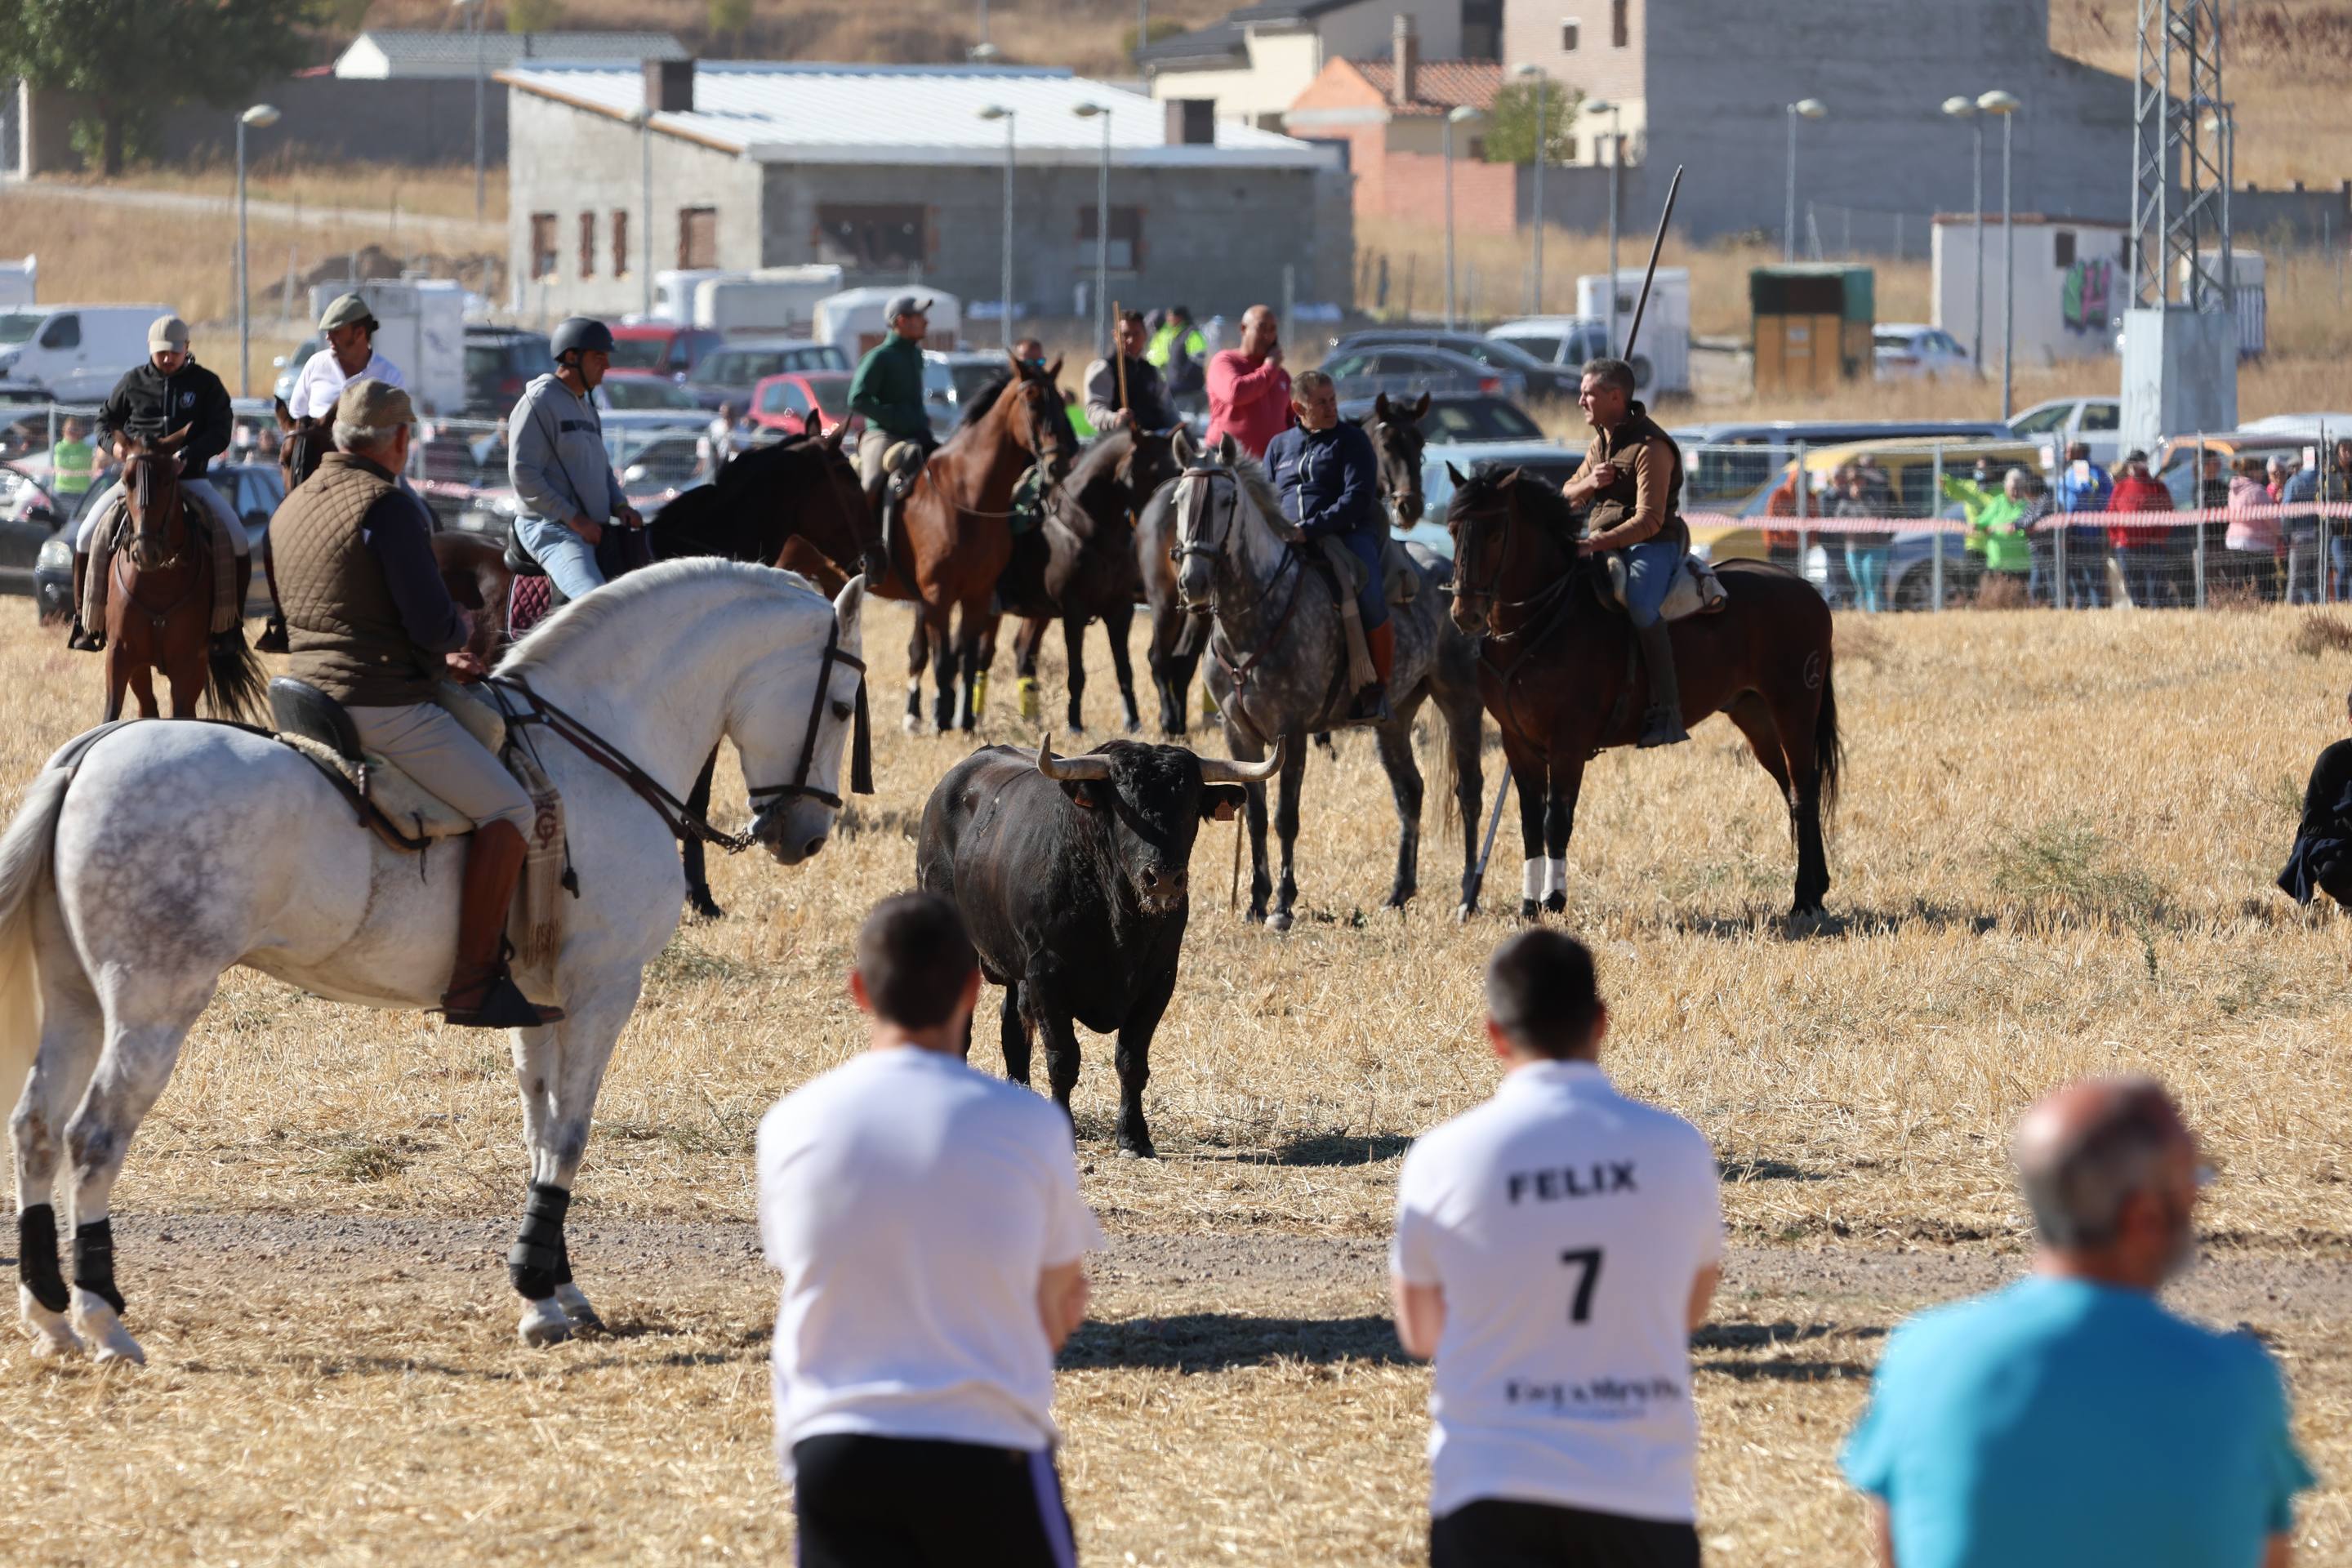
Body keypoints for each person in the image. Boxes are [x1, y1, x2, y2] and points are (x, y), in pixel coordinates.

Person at [1843, 1076, 2314, 1568]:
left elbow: (1894, 1551)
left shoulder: (1921, 1356)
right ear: (2145, 1216)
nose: (2199, 1199)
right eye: (2194, 1181)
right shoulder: (2237, 1381)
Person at [758, 892, 1099, 1568]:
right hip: (987, 1450)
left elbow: (807, 1268)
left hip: (834, 1451)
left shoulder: (790, 1125)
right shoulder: (1032, 1126)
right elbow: (1059, 1303)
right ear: (974, 990)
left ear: (860, 991)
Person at [1392, 929, 1722, 1568]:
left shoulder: (1441, 1159)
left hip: (1487, 1493)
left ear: (1494, 1035)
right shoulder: (1679, 1150)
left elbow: (1421, 1332)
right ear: (1601, 1023)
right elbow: (1689, 1310)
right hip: (1641, 1494)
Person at [271, 380, 555, 1029]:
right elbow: (431, 624)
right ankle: (474, 982)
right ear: (400, 440)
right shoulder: (390, 507)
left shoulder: (294, 502)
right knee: (510, 806)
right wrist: (457, 636)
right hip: (380, 702)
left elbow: (338, 611)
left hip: (304, 692)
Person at [70, 314, 249, 653]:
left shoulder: (206, 384)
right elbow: (104, 423)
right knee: (85, 535)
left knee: (237, 540)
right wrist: (117, 447)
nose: (168, 359)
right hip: (137, 482)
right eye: (161, 353)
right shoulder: (132, 382)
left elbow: (221, 430)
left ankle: (230, 627)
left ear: (187, 349)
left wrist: (190, 453)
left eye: (175, 352)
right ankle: (85, 621)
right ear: (151, 350)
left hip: (189, 477)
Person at [1561, 356, 1691, 747]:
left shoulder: (1652, 448)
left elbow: (1649, 521)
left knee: (1639, 603)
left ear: (1615, 397)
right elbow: (1566, 495)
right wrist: (1589, 485)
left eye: (1589, 394)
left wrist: (1592, 544)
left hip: (1653, 545)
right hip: (1602, 542)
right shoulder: (1600, 441)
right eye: (1582, 393)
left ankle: (1667, 710)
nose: (1581, 401)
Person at [1265, 369, 1391, 724]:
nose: (1331, 407)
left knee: (1369, 594)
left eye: (1333, 399)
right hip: (1287, 539)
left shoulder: (1352, 441)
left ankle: (1377, 689)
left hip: (1348, 536)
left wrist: (1310, 529)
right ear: (1298, 408)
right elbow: (1266, 497)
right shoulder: (1278, 447)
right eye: (1321, 402)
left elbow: (1357, 498)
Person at [507, 317, 644, 604]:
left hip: (591, 527)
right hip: (551, 529)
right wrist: (575, 519)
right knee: (597, 605)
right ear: (571, 357)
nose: (606, 365)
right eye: (599, 357)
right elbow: (524, 475)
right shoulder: (539, 401)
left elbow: (602, 469)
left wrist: (620, 505)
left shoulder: (587, 407)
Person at [848, 295, 938, 550]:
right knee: (872, 484)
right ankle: (855, 547)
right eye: (920, 317)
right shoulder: (880, 357)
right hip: (883, 436)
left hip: (917, 434)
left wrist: (919, 418)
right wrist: (897, 418)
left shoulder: (916, 356)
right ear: (902, 321)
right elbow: (857, 398)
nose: (926, 322)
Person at [2280, 688, 2352, 907]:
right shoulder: (2332, 760)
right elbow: (2312, 824)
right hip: (2344, 848)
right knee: (2332, 870)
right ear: (2351, 720)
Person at [285, 292, 407, 423]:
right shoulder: (316, 364)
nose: (328, 337)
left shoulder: (390, 377)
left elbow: (396, 432)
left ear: (359, 333)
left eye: (336, 332)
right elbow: (296, 418)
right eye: (327, 332)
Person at [1204, 304, 1292, 460]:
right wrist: (1269, 368)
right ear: (1243, 329)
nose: (1268, 335)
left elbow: (1292, 418)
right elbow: (1235, 393)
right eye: (1262, 328)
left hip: (1269, 467)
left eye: (1273, 330)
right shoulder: (1225, 361)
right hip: (1227, 464)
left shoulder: (1281, 375)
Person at [1084, 310, 1178, 434]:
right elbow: (1094, 410)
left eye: (1136, 334)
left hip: (1156, 438)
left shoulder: (1152, 371)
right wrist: (1115, 419)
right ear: (1115, 336)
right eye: (1125, 335)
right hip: (1120, 441)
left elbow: (1168, 410)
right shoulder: (1104, 369)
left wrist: (1181, 429)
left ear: (1145, 335)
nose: (1131, 340)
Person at [2106, 450, 2177, 608]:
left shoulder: (2158, 488)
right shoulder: (2121, 488)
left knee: (2156, 591)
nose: (2132, 466)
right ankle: (2141, 619)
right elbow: (2111, 515)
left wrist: (2158, 538)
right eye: (2131, 463)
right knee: (2136, 591)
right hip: (2127, 547)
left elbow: (2168, 515)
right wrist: (2116, 540)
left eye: (2136, 463)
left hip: (2153, 547)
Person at [2051, 441, 2113, 609]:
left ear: (2078, 452)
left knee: (2093, 578)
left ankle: (2097, 609)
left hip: (2089, 535)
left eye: (2069, 450)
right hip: (2070, 534)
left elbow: (2090, 494)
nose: (2065, 453)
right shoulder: (2069, 472)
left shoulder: (2086, 472)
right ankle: (2082, 609)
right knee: (2076, 579)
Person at [1838, 464, 1895, 614]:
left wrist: (1861, 499)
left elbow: (1876, 514)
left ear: (1864, 479)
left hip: (1875, 546)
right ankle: (1862, 615)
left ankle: (1876, 614)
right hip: (1853, 547)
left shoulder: (1876, 494)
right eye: (1852, 480)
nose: (1855, 483)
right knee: (1859, 584)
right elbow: (1838, 519)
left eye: (1858, 479)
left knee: (1872, 584)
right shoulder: (1845, 498)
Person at [2225, 454, 2280, 601]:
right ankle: (2267, 606)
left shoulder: (2233, 491)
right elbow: (2272, 520)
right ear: (2252, 471)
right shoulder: (2258, 491)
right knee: (2265, 583)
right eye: (2259, 470)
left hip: (2234, 542)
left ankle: (2245, 606)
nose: (2262, 473)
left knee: (2244, 583)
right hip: (2257, 543)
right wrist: (2281, 534)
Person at [1147, 304, 1209, 406]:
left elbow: (1198, 359)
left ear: (1180, 317)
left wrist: (1183, 375)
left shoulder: (1192, 334)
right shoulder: (1175, 334)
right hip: (1175, 382)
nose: (1168, 319)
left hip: (1188, 383)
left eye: (1170, 315)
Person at [47, 416, 97, 503]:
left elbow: (93, 467)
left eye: (76, 429)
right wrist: (78, 465)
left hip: (82, 492)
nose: (73, 432)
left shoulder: (87, 449)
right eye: (70, 429)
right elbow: (62, 465)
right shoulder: (59, 448)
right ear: (64, 430)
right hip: (62, 491)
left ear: (82, 431)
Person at [699, 401, 746, 478]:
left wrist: (733, 446)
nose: (728, 420)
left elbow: (745, 451)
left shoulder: (742, 429)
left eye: (730, 416)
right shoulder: (715, 426)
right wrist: (702, 461)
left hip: (735, 466)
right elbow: (705, 443)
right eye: (725, 416)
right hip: (715, 464)